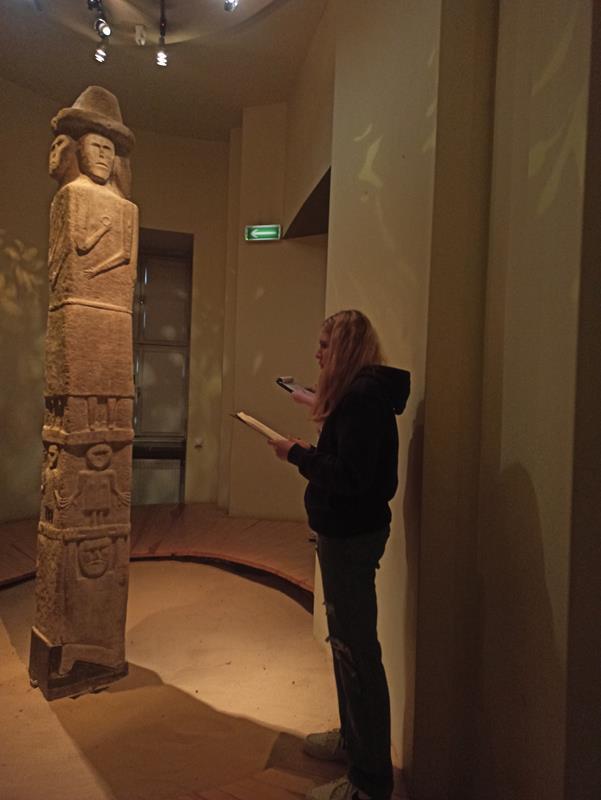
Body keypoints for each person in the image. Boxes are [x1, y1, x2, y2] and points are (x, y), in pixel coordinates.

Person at [269, 309, 410, 800]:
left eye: (325, 344)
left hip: (351, 538)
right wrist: (311, 449)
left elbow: (351, 477)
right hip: (344, 535)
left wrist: (297, 455)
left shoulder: (363, 398)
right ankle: (354, 742)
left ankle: (369, 781)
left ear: (345, 347)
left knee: (357, 654)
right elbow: (351, 464)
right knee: (346, 647)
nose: (317, 353)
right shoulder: (358, 396)